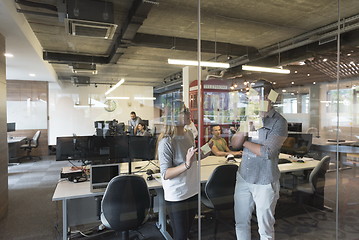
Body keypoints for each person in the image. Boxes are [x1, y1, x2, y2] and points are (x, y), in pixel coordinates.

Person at [231, 79, 288, 240]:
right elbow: (234, 144)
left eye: (257, 97)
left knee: (265, 230)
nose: (253, 101)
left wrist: (245, 142)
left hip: (265, 181)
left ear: (269, 98)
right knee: (241, 223)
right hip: (243, 177)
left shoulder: (279, 122)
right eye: (252, 98)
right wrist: (245, 128)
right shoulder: (249, 117)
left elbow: (267, 152)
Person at [157, 103, 204, 240]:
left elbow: (193, 156)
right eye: (185, 111)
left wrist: (206, 150)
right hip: (178, 195)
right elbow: (165, 174)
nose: (190, 114)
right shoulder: (166, 142)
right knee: (181, 235)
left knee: (187, 231)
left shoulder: (188, 133)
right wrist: (186, 164)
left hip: (192, 190)